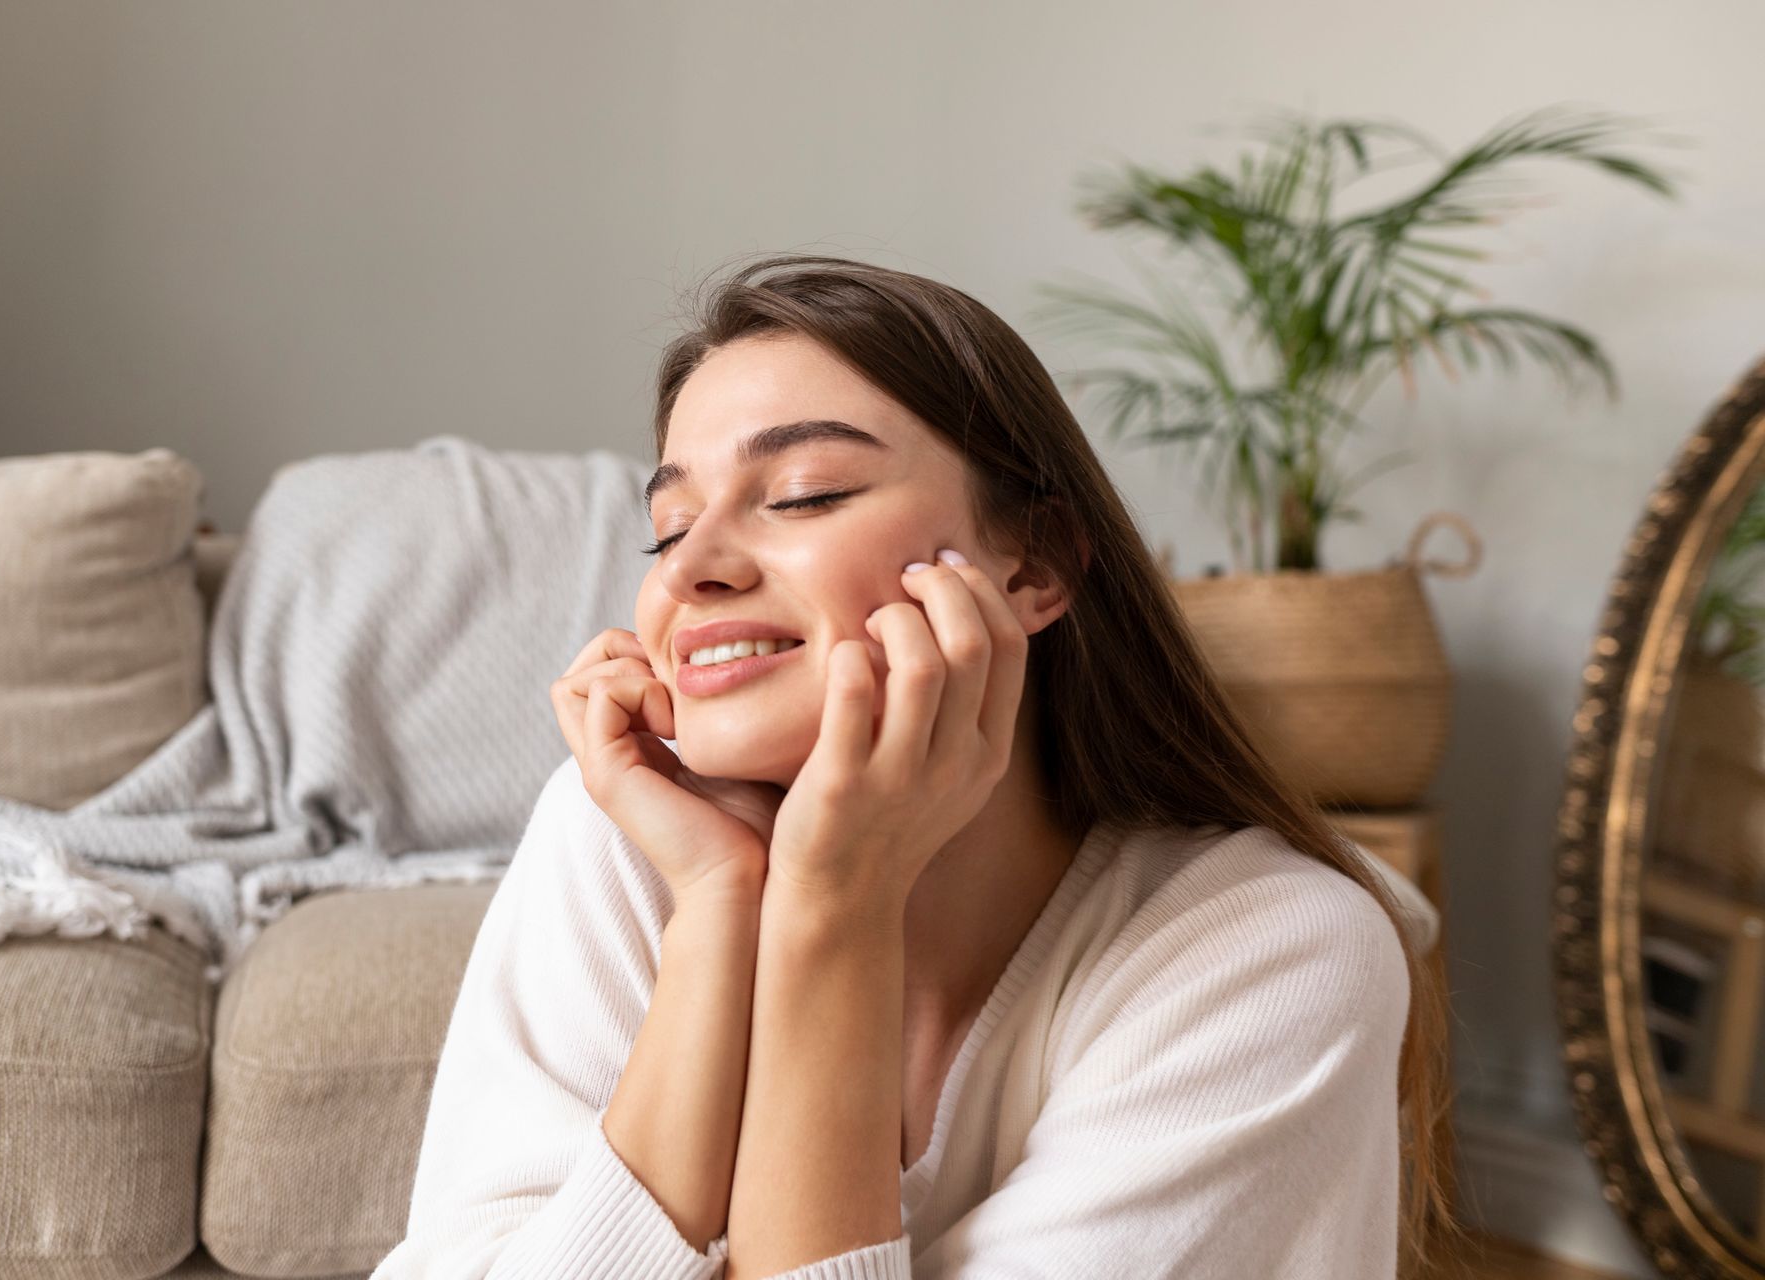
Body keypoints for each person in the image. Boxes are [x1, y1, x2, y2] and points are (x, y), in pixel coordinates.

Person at [369, 253, 1462, 1279]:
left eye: (803, 494)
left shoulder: (1273, 951)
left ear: (1030, 564)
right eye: (668, 526)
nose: (692, 569)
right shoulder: (626, 832)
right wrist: (718, 906)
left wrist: (834, 905)